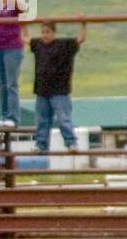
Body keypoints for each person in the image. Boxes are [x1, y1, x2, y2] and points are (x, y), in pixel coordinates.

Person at [29, 19, 88, 152]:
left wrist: (83, 24)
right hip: (42, 91)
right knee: (42, 121)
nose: (45, 35)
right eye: (43, 32)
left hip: (59, 91)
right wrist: (23, 25)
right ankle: (40, 145)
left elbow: (81, 39)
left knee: (63, 119)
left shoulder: (64, 45)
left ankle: (71, 143)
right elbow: (25, 38)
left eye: (48, 32)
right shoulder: (38, 44)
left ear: (54, 32)